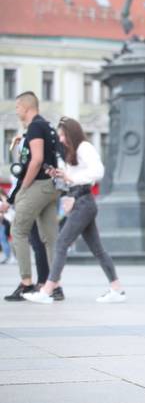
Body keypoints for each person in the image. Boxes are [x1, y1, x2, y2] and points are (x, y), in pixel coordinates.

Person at [24, 117, 125, 304]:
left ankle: (47, 290)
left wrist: (70, 177)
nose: (61, 139)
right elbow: (72, 180)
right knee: (98, 249)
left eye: (62, 135)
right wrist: (60, 176)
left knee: (61, 242)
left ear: (71, 133)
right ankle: (116, 288)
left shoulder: (84, 147)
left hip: (84, 203)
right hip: (80, 201)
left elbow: (98, 172)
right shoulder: (73, 153)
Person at [4, 92, 61, 302]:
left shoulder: (36, 127)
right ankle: (55, 286)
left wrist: (24, 188)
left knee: (17, 230)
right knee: (49, 238)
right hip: (50, 186)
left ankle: (26, 283)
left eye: (17, 107)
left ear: (25, 107)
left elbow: (35, 160)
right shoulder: (46, 126)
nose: (16, 111)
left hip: (37, 184)